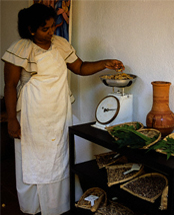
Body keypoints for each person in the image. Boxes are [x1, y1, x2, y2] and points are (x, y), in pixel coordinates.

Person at [2, 3, 125, 215]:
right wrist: (12, 119)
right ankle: (35, 205)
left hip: (58, 109)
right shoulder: (20, 49)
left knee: (59, 154)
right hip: (33, 113)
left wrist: (104, 63)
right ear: (31, 30)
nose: (51, 32)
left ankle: (59, 204)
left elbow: (79, 67)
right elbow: (10, 86)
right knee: (35, 157)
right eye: (45, 29)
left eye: (52, 27)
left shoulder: (60, 44)